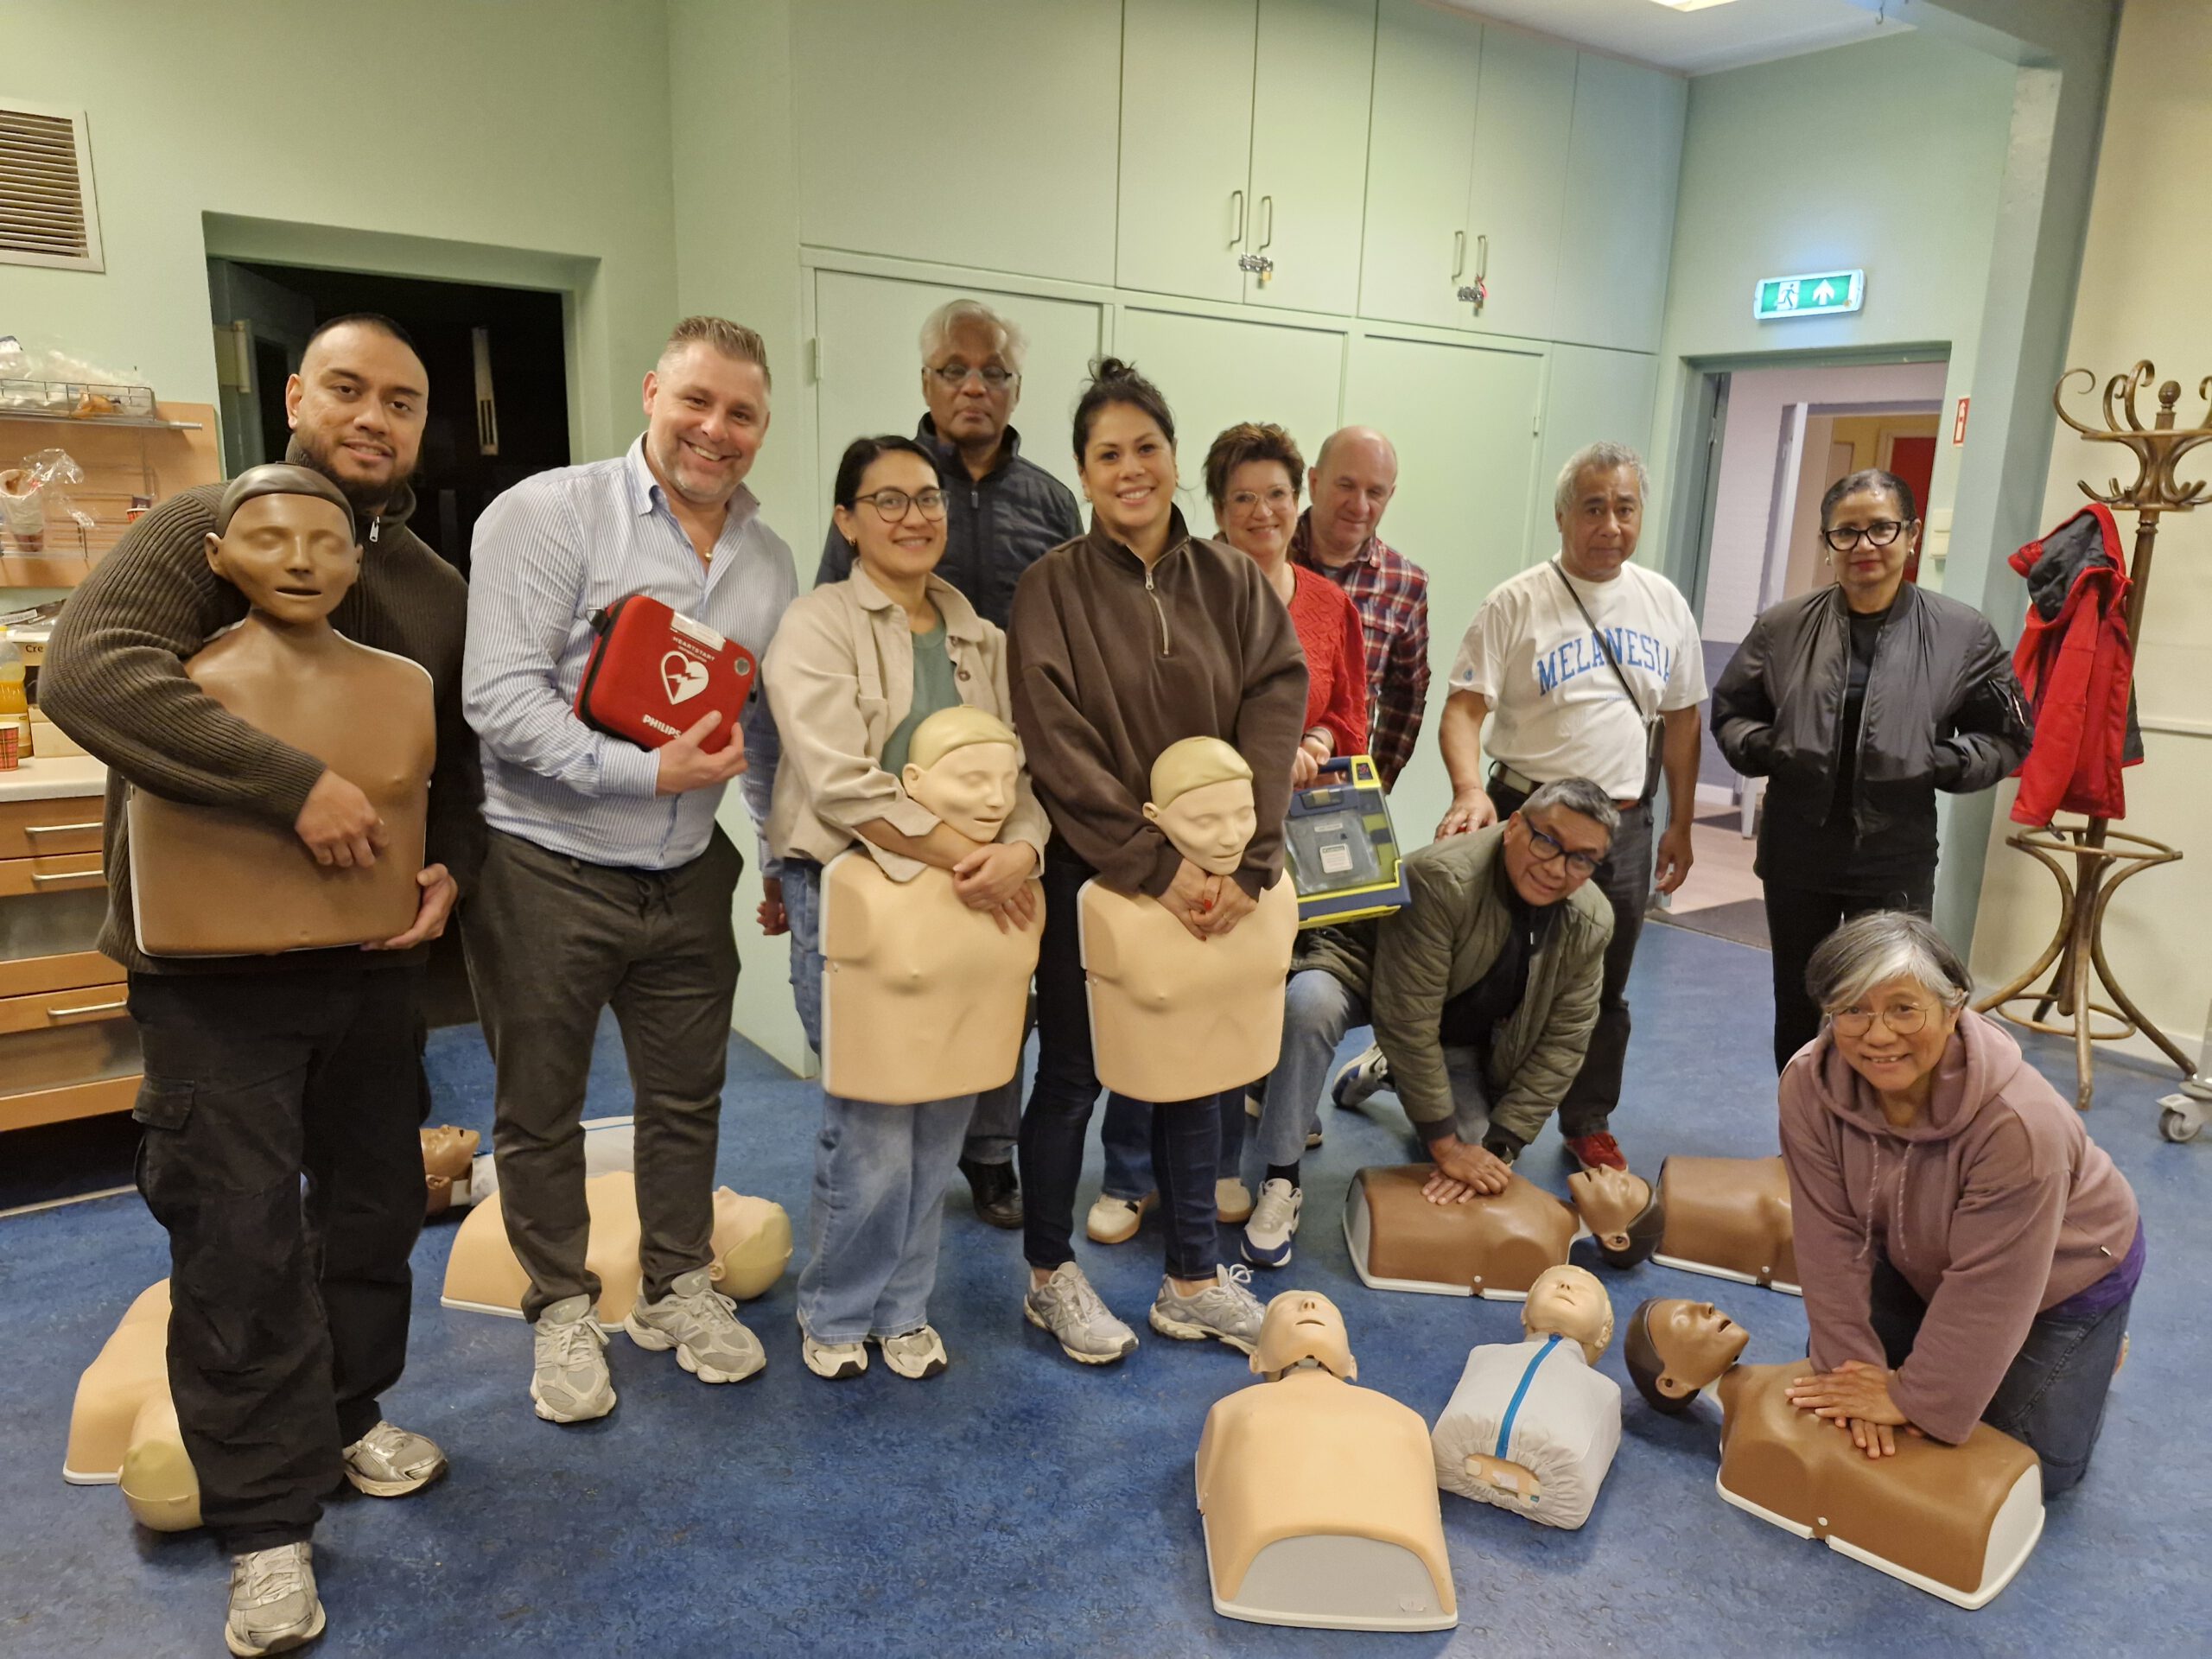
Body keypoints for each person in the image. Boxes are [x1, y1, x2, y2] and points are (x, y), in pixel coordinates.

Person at [41, 315, 478, 1658]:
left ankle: (345, 1417)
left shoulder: (428, 586)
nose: (373, 417)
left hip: (370, 970)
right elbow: (89, 673)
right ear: (296, 396)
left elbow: (452, 761)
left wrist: (449, 870)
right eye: (347, 388)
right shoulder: (204, 527)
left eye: (401, 401)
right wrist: (291, 785)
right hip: (212, 977)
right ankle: (264, 1524)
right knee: (236, 1234)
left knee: (372, 1206)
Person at [462, 316, 797, 1423]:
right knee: (541, 1108)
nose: (715, 429)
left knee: (686, 1100)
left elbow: (757, 728)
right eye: (696, 401)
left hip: (689, 871)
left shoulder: (768, 561)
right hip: (545, 866)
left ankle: (676, 1287)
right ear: (652, 392)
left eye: (742, 413)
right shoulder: (550, 513)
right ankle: (562, 1307)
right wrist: (644, 773)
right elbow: (498, 697)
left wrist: (772, 852)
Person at [1009, 357, 1306, 1364]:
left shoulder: (1231, 580)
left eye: (1146, 448)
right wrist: (1151, 861)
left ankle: (1191, 1280)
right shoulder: (1051, 588)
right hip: (1098, 874)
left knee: (1198, 1075)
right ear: (1083, 474)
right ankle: (1048, 1276)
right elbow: (1054, 739)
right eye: (1107, 454)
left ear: (1175, 459)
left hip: (1220, 873)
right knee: (1073, 1074)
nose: (1129, 468)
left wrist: (1246, 859)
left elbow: (1275, 703)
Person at [765, 435, 1048, 1381]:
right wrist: (974, 854)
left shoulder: (982, 639)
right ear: (846, 522)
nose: (913, 516)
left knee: (946, 1112)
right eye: (885, 500)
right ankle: (839, 1308)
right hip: (855, 891)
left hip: (969, 899)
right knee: (875, 1123)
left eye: (926, 498)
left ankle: (905, 1306)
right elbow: (839, 782)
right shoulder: (817, 624)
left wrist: (1022, 850)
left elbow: (1022, 777)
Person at [816, 298, 1081, 1229]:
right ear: (926, 382)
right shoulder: (889, 485)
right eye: (955, 371)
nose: (975, 387)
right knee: (897, 1011)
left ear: (1017, 388)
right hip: (885, 811)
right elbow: (827, 645)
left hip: (1001, 788)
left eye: (995, 372)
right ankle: (880, 1210)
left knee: (1002, 978)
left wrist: (1026, 829)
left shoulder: (1049, 501)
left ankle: (991, 1152)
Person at [1091, 421, 1367, 1242]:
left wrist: (1316, 740)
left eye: (1276, 495)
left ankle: (1213, 1167)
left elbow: (1351, 717)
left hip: (1270, 843)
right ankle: (1128, 1175)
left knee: (1233, 999)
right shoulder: (1183, 593)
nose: (1261, 511)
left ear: (1298, 501)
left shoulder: (1330, 606)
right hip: (1178, 835)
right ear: (1215, 508)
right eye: (1242, 497)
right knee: (1155, 996)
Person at [1777, 912, 2141, 1493]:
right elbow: (1828, 1235)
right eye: (1852, 1010)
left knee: (2033, 1468)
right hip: (1916, 1247)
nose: (1877, 1035)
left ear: (1954, 1009)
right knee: (1844, 1389)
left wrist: (1915, 1399)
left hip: (2062, 1270)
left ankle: (2095, 1345)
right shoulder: (1808, 1083)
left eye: (1904, 1009)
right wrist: (1854, 1371)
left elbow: (1993, 1285)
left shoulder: (2021, 1125)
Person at [1428, 441, 1705, 1173]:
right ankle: (1450, 1093)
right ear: (1561, 516)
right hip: (1528, 818)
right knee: (1491, 972)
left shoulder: (1664, 602)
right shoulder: (1516, 602)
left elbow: (1683, 721)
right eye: (1593, 508)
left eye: (1625, 508)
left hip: (1623, 827)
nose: (1610, 525)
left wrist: (1680, 822)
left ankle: (1588, 1120)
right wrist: (1468, 790)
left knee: (1603, 986)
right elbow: (1463, 710)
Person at [1711, 467, 2031, 1071]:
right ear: (1827, 542)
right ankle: (1802, 1117)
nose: (1865, 546)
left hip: (1895, 854)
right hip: (1796, 851)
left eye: (1881, 529)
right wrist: (1773, 749)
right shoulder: (1782, 627)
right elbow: (1732, 713)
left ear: (1910, 535)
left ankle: (1879, 1119)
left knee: (1890, 1000)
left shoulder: (1961, 633)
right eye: (1847, 532)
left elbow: (2009, 734)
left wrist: (1939, 762)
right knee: (1800, 999)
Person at [1240, 779, 1616, 1267]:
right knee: (1310, 1003)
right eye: (1547, 842)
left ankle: (1387, 1069)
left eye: (1582, 859)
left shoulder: (1592, 921)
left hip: (1455, 1021)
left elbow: (1563, 1044)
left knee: (1478, 1160)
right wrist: (1443, 1145)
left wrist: (1499, 1146)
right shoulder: (1443, 878)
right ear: (1514, 827)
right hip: (1367, 973)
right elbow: (1407, 1017)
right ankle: (1281, 1177)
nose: (1557, 869)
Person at [1289, 425, 1427, 790]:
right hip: (1251, 786)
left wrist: (1372, 785)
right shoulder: (1264, 559)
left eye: (1375, 492)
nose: (1359, 505)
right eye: (1346, 486)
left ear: (1390, 495)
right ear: (1314, 482)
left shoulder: (1405, 584)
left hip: (1340, 791)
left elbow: (1406, 698)